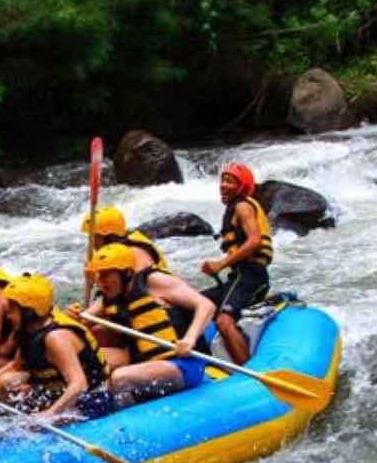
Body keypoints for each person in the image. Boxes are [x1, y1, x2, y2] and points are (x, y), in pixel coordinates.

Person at [76, 243, 216, 409]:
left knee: (120, 378)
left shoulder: (153, 281)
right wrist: (74, 316)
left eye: (107, 274)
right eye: (98, 275)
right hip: (142, 362)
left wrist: (190, 338)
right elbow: (82, 324)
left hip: (183, 364)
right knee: (86, 361)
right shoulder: (109, 295)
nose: (101, 282)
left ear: (126, 273)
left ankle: (125, 422)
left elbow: (206, 305)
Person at [0, 273, 112, 421]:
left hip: (90, 400)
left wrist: (48, 415)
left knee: (28, 428)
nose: (8, 315)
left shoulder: (56, 338)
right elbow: (17, 366)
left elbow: (79, 384)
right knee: (4, 383)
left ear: (28, 311)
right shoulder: (27, 332)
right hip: (54, 389)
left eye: (12, 309)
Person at [198, 162, 273, 365]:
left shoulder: (242, 206)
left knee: (224, 321)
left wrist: (220, 264)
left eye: (229, 181)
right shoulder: (233, 210)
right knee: (197, 304)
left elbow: (255, 240)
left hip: (251, 275)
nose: (223, 185)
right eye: (222, 180)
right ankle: (204, 362)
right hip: (238, 276)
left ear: (242, 187)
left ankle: (249, 375)